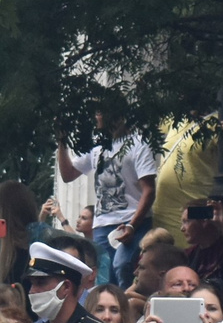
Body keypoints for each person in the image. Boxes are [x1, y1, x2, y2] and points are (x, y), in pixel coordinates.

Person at [60, 103, 157, 287]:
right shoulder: (98, 147)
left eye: (99, 112)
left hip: (131, 221)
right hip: (102, 225)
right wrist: (62, 141)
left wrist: (132, 226)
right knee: (102, 279)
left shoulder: (138, 144)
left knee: (123, 266)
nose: (96, 117)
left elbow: (149, 190)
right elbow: (68, 174)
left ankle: (129, 311)